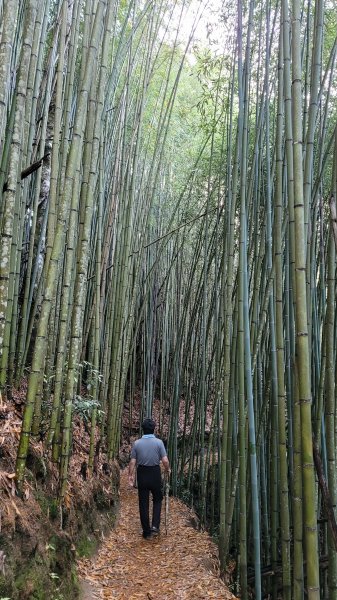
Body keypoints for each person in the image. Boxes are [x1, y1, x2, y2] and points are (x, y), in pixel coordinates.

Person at [129, 418, 170, 539]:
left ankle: (146, 532)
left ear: (143, 429)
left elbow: (132, 462)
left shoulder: (137, 443)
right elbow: (165, 460)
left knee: (143, 502)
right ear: (153, 429)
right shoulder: (159, 442)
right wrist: (167, 470)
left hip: (142, 473)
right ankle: (155, 526)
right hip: (155, 472)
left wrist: (130, 476)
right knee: (157, 498)